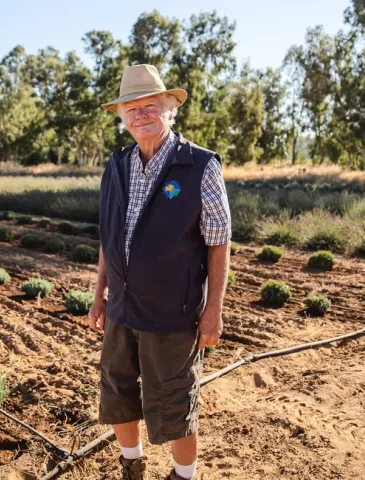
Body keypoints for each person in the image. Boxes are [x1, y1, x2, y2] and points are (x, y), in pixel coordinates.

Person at [88, 64, 231, 480]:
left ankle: (182, 476)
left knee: (175, 402)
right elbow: (108, 238)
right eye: (131, 110)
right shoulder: (116, 166)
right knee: (117, 392)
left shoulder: (200, 166)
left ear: (171, 110)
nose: (140, 115)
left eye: (150, 105)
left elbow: (218, 241)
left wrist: (213, 310)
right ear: (122, 119)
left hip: (173, 311)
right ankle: (131, 465)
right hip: (122, 308)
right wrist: (99, 294)